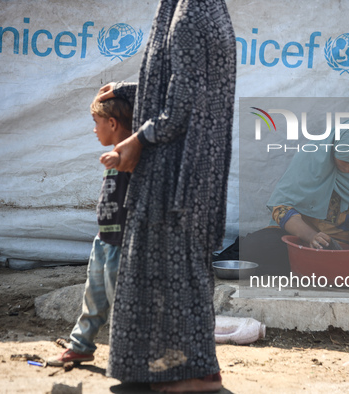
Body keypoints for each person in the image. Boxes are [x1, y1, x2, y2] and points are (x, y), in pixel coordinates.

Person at [96, 0, 236, 392]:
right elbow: (182, 83)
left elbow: (183, 104)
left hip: (179, 172)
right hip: (184, 168)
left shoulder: (193, 13)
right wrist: (128, 90)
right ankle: (163, 371)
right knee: (164, 269)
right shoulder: (193, 9)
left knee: (176, 273)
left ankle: (192, 377)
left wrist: (137, 140)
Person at [241, 120, 349, 276]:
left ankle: (328, 266)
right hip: (302, 237)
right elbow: (281, 208)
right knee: (253, 246)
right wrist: (311, 236)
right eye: (344, 160)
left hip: (346, 243)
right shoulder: (310, 157)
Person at [48, 95, 133, 366]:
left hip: (121, 242)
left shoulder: (131, 155)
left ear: (112, 122)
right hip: (104, 239)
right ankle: (80, 345)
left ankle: (131, 358)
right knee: (93, 298)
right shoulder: (116, 155)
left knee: (121, 303)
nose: (94, 129)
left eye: (96, 122)